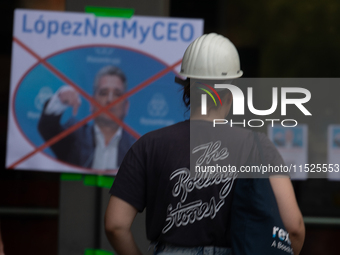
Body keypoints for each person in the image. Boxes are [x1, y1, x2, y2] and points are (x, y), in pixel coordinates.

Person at [104, 33, 305, 254]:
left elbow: (116, 225)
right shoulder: (257, 146)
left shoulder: (149, 146)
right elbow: (293, 227)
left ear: (187, 89)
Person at [38, 65, 136, 170]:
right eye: (103, 93)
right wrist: (60, 100)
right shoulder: (74, 135)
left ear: (126, 106)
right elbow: (47, 128)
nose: (110, 100)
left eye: (117, 94)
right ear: (91, 103)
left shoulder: (137, 148)